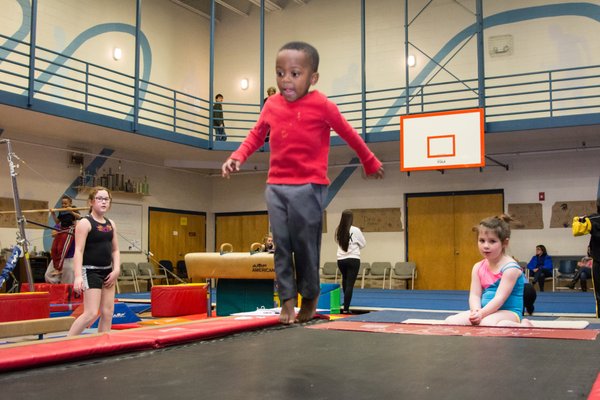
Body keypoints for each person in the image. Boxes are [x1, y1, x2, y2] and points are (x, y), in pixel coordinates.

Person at [222, 41, 384, 324]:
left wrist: (369, 160)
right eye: (280, 73)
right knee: (281, 246)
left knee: (305, 245)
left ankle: (309, 298)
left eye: (295, 73)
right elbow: (256, 135)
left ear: (313, 78)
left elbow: (349, 133)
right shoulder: (271, 105)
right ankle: (286, 301)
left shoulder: (322, 105)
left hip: (309, 185)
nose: (286, 80)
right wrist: (238, 156)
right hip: (276, 185)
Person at [445, 215, 533, 327]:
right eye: (482, 240)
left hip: (509, 313)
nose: (486, 246)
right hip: (485, 312)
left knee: (488, 324)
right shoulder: (478, 267)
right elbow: (475, 295)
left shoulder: (510, 268)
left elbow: (499, 298)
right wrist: (475, 311)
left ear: (505, 243)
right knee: (451, 321)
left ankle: (524, 325)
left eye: (492, 241)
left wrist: (481, 314)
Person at [68, 187, 120, 336]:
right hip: (90, 271)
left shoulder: (111, 224)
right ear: (91, 202)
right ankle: (66, 342)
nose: (104, 202)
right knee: (90, 313)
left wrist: (116, 270)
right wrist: (78, 276)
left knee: (108, 312)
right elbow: (78, 251)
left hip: (108, 271)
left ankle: (102, 344)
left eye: (106, 199)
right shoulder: (85, 222)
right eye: (100, 198)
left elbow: (115, 250)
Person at [335, 210, 366, 314]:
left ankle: (345, 304)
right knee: (350, 284)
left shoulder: (338, 230)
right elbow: (363, 244)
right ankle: (346, 308)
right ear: (351, 219)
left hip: (341, 260)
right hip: (353, 259)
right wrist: (355, 247)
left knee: (345, 280)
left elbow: (338, 242)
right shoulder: (356, 230)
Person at [48, 195, 80, 283]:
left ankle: (59, 268)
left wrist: (72, 212)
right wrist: (53, 214)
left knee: (62, 248)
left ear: (70, 203)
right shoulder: (61, 211)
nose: (64, 205)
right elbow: (57, 222)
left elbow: (78, 217)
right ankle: (56, 267)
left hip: (69, 229)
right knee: (54, 249)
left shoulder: (73, 209)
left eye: (66, 203)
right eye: (62, 203)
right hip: (61, 229)